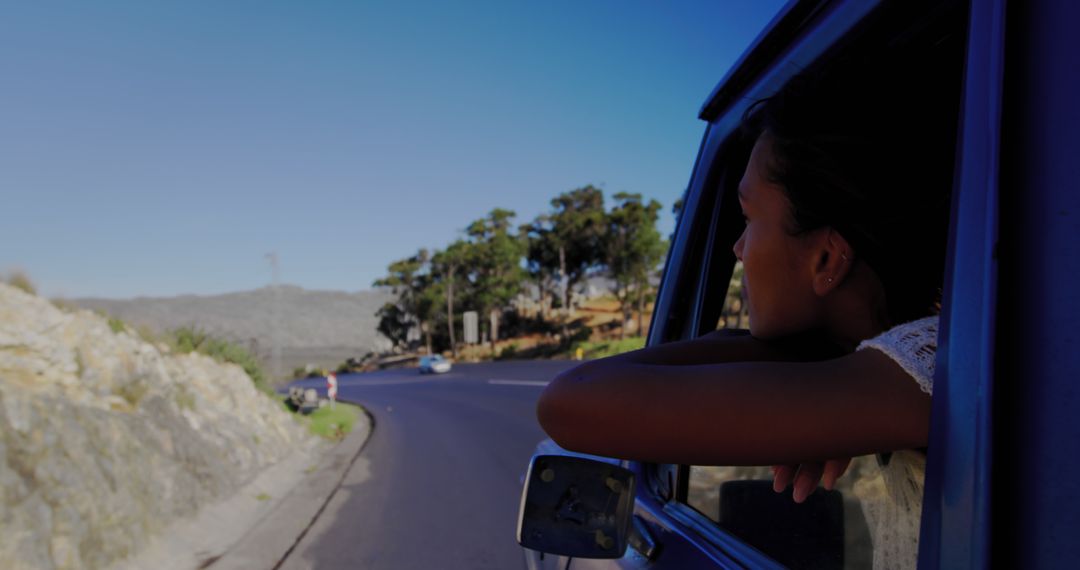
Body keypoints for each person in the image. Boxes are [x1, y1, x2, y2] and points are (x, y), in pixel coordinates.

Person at [536, 54, 960, 569]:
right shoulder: (924, 362)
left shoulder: (925, 369)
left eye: (749, 218)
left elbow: (569, 403)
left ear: (825, 258)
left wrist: (787, 354)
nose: (737, 248)